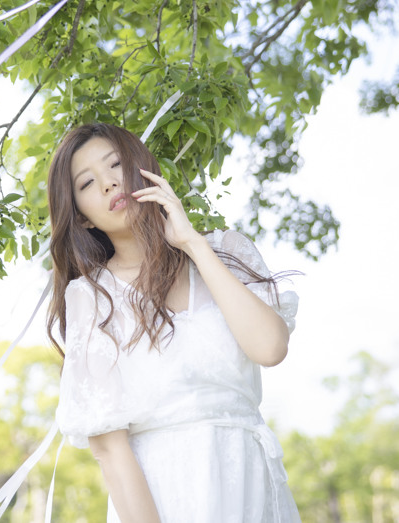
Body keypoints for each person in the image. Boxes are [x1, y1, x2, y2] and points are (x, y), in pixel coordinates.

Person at [46, 122, 301, 523]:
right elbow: (110, 449)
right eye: (88, 183)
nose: (111, 184)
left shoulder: (225, 251)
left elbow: (270, 348)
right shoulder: (91, 299)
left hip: (249, 484)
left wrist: (194, 245)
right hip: (161, 496)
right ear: (82, 220)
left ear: (143, 167)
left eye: (116, 165)